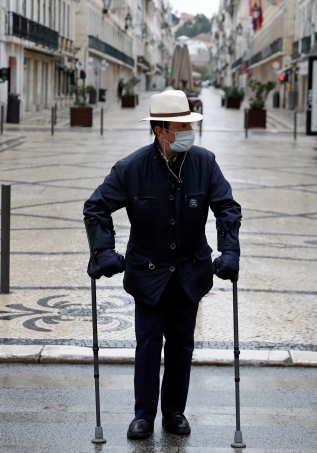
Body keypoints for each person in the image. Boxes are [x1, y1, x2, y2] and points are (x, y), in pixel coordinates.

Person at [83, 90, 242, 440]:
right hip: (148, 273)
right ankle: (144, 414)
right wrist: (103, 251)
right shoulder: (131, 168)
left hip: (191, 271)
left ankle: (174, 411)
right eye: (182, 125)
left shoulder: (205, 162)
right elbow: (95, 208)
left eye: (190, 123)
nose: (189, 130)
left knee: (183, 344)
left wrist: (230, 251)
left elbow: (227, 207)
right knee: (149, 342)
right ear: (161, 131)